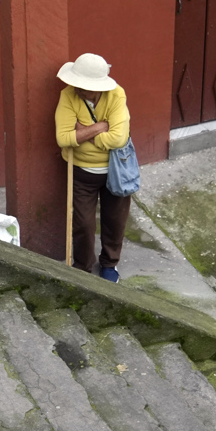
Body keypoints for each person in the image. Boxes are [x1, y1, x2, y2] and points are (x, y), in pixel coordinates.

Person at [54, 52, 130, 282]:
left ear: (98, 87)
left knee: (115, 221)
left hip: (115, 170)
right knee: (83, 224)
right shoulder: (68, 95)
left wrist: (83, 132)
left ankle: (109, 263)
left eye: (84, 87)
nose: (78, 89)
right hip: (81, 171)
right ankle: (83, 267)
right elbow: (63, 138)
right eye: (76, 84)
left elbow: (118, 139)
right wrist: (99, 127)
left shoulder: (116, 95)